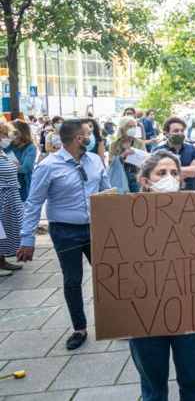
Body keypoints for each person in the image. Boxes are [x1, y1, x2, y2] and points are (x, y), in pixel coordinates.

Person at [17, 119, 110, 350]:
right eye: (88, 133)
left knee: (109, 275)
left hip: (96, 228)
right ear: (79, 139)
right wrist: (27, 238)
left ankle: (116, 322)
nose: (92, 136)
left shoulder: (95, 160)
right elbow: (33, 202)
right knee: (72, 279)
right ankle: (79, 328)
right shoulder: (48, 166)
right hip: (65, 231)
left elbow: (108, 193)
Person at [129, 151, 195, 401]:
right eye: (161, 173)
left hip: (190, 312)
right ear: (145, 180)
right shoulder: (126, 217)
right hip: (145, 315)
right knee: (153, 387)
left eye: (174, 173)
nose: (169, 178)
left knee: (194, 382)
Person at [154, 117, 195, 191]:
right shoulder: (158, 151)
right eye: (176, 131)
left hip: (189, 193)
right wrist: (190, 170)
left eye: (182, 131)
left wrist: (170, 171)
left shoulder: (193, 149)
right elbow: (155, 173)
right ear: (166, 133)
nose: (180, 133)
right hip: (166, 193)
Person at [0, 122, 23, 273]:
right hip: (2, 196)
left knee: (6, 231)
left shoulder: (2, 152)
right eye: (4, 134)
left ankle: (2, 260)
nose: (7, 138)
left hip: (10, 197)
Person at [109, 117, 146, 193]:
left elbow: (145, 161)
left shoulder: (140, 143)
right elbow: (110, 163)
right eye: (130, 126)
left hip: (135, 177)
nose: (133, 129)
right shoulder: (114, 144)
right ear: (122, 128)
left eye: (134, 126)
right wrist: (122, 156)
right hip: (120, 177)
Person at [7, 119, 37, 201]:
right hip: (8, 184)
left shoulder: (30, 147)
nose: (9, 133)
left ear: (20, 132)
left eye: (11, 131)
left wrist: (8, 165)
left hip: (23, 185)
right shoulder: (9, 144)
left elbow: (25, 169)